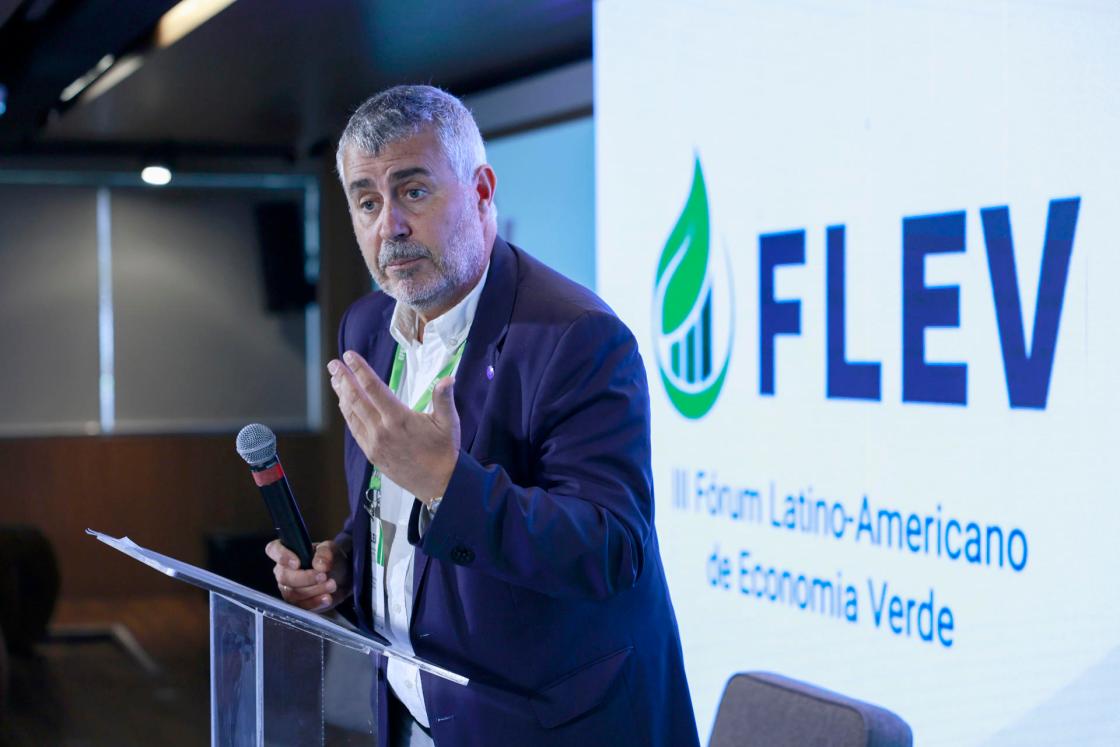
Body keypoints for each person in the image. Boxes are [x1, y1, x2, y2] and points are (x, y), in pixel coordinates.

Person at [267, 85, 698, 747]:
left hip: (550, 727)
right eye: (367, 201)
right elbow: (382, 510)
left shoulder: (577, 337)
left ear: (482, 190)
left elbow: (611, 548)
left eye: (413, 191)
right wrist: (341, 564)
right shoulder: (366, 327)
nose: (390, 227)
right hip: (415, 717)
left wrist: (446, 483)